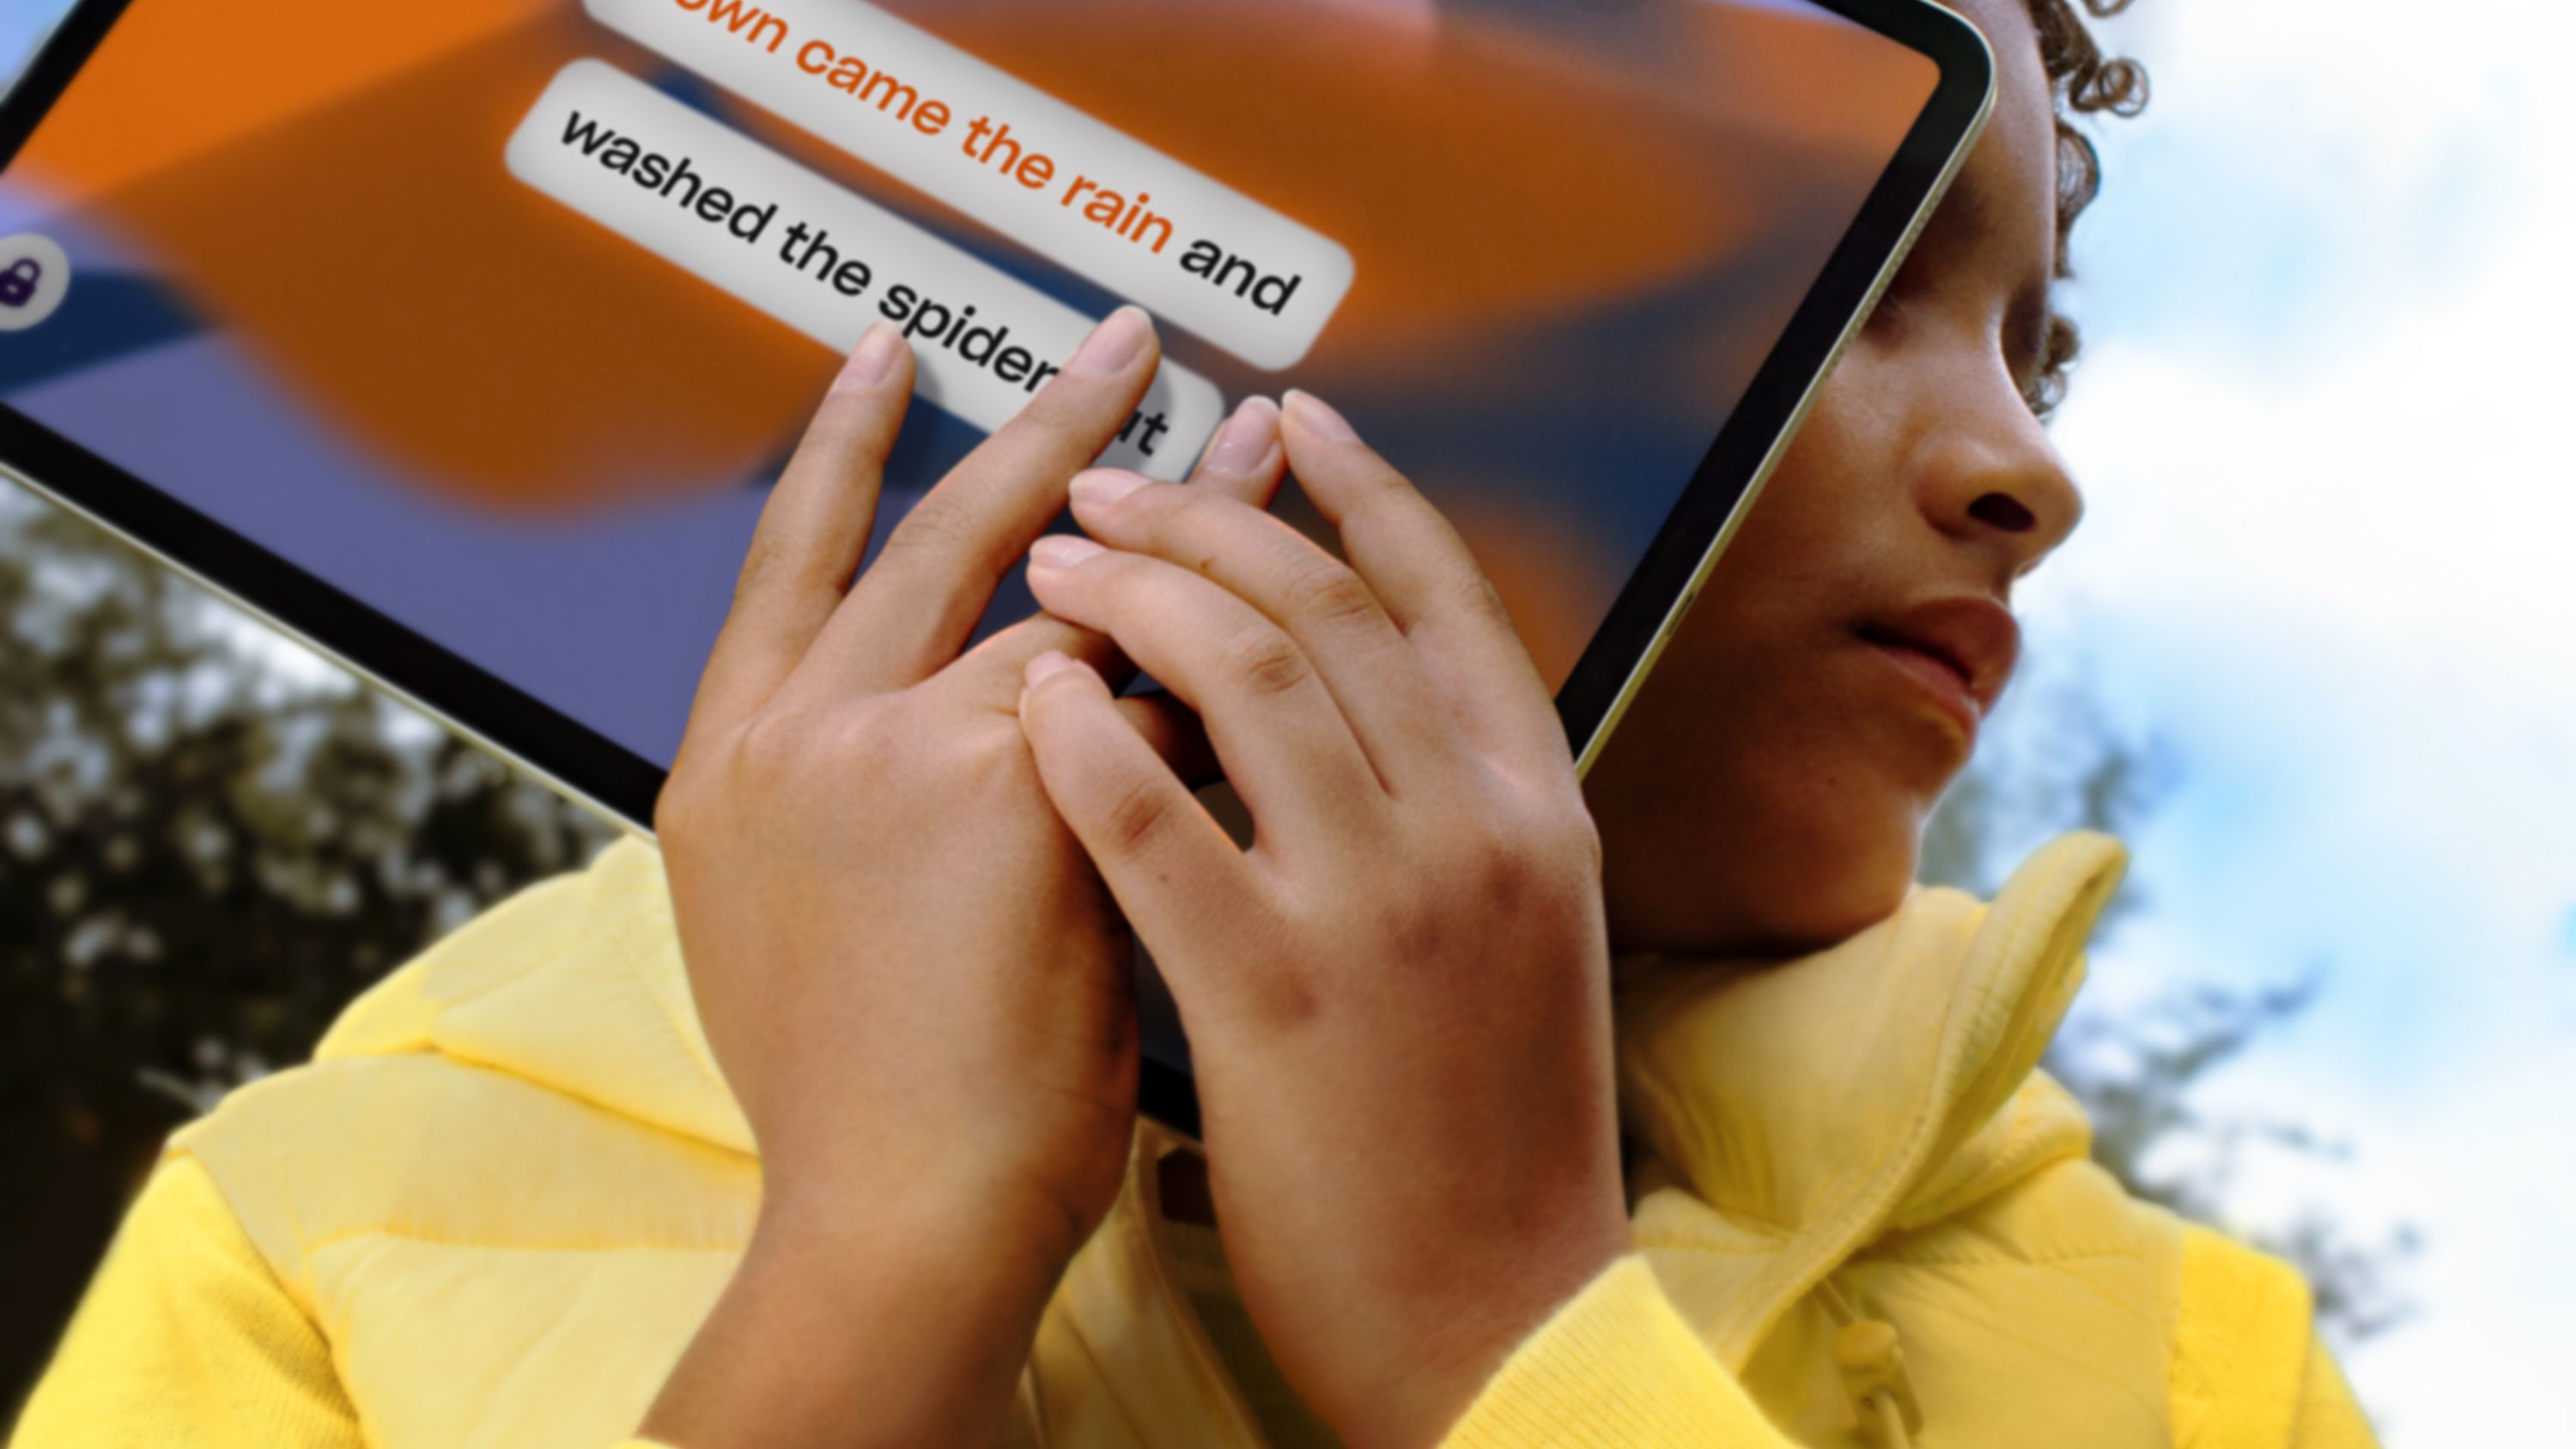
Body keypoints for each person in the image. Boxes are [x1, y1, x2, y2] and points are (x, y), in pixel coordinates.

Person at [9, 1, 2379, 1445]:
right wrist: (881, 1273)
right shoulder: (317, 1227)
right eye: (1860, 277)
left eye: (2037, 351)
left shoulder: (2187, 1366)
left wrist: (1500, 1335)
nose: (2031, 472)